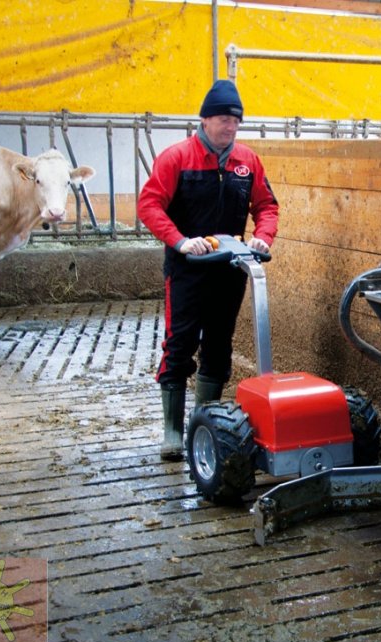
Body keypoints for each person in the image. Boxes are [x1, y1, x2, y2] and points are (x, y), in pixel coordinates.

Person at [138, 79, 279, 461]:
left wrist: (263, 237)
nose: (229, 127)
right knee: (180, 343)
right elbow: (149, 206)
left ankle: (204, 426)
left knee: (218, 346)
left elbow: (266, 206)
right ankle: (171, 429)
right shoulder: (176, 158)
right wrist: (181, 240)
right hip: (187, 269)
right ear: (204, 120)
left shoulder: (247, 163)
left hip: (230, 268)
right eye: (222, 119)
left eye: (235, 121)